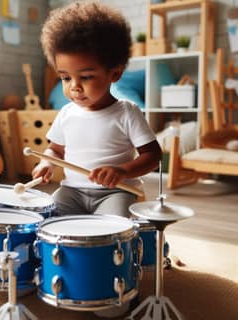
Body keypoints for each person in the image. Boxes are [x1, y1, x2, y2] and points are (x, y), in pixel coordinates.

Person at [33, 1, 162, 317]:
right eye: (65, 77)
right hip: (73, 192)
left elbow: (153, 156)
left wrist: (122, 170)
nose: (74, 87)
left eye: (86, 76)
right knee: (46, 225)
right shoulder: (66, 114)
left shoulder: (126, 112)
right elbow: (56, 151)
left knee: (112, 236)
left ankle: (115, 285)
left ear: (114, 72)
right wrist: (47, 162)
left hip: (115, 193)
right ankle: (59, 277)